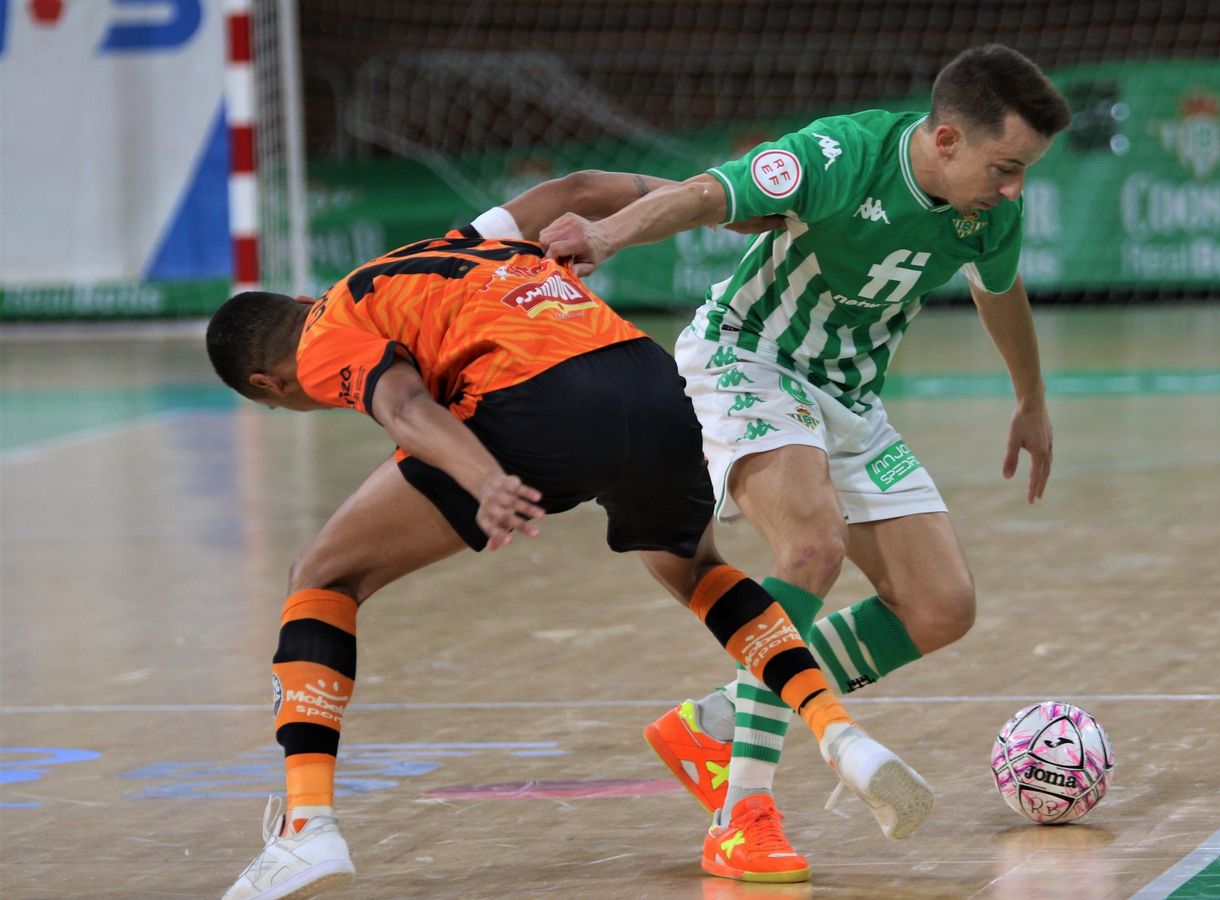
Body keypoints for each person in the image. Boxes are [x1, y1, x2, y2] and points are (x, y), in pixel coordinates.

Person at [207, 170, 934, 900]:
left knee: (322, 575)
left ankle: (308, 829)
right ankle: (836, 728)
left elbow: (401, 402)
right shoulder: (448, 248)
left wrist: (484, 476)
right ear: (296, 297)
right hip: (652, 383)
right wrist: (710, 208)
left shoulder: (323, 336)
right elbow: (579, 188)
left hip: (537, 405)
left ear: (271, 386)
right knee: (693, 569)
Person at [540, 44, 1068, 881]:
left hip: (850, 396)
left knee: (940, 606)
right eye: (1005, 166)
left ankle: (711, 724)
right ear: (945, 140)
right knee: (810, 549)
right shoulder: (841, 155)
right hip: (748, 359)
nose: (1014, 189)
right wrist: (604, 234)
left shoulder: (989, 214)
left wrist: (1031, 398)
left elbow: (996, 288)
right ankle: (741, 810)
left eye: (1025, 172)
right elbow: (708, 194)